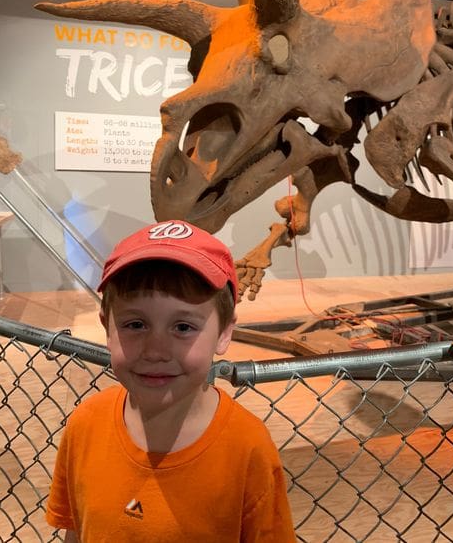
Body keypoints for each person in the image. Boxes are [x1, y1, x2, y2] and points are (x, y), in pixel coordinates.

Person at [46, 220, 297, 542]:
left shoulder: (247, 448)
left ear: (223, 333)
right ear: (108, 328)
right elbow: (77, 529)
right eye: (135, 325)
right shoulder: (85, 424)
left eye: (183, 327)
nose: (155, 351)